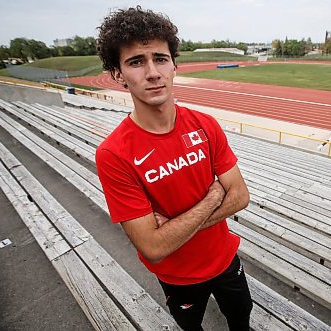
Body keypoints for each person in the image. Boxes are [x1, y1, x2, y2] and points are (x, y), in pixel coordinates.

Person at [95, 6, 253, 330]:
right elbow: (153, 248)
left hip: (225, 259)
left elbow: (240, 196)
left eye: (160, 58)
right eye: (136, 62)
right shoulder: (113, 154)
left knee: (241, 317)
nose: (152, 72)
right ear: (118, 75)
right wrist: (212, 197)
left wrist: (171, 230)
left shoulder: (205, 124)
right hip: (178, 277)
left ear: (174, 65)